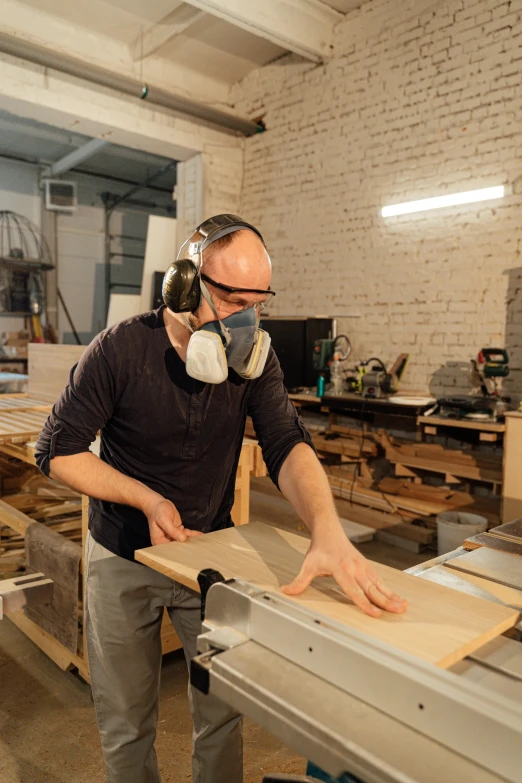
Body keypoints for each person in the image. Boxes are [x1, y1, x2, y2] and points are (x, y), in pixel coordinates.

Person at [35, 214, 406, 783]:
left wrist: (326, 530)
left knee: (223, 712)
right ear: (184, 285)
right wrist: (146, 499)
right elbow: (57, 450)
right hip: (121, 556)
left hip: (210, 554)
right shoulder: (120, 350)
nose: (245, 316)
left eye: (258, 299)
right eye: (230, 297)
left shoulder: (255, 355)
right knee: (126, 721)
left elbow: (286, 442)